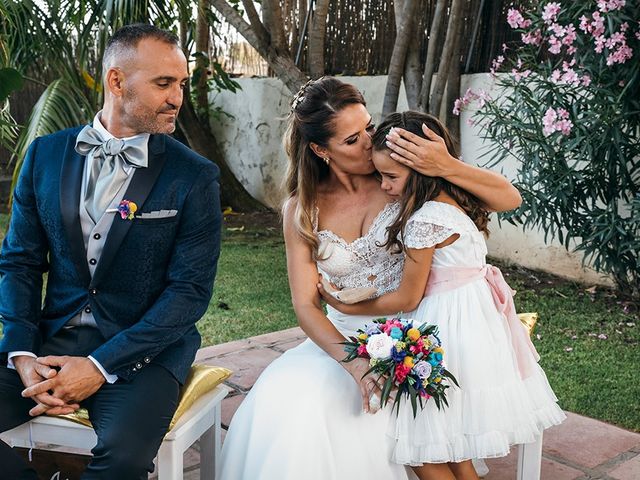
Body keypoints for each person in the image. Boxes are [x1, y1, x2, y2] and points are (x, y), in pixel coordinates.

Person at [219, 77, 523, 479]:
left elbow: (508, 198)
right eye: (351, 140)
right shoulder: (301, 208)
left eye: (368, 126)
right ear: (319, 150)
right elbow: (307, 305)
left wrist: (445, 165)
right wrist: (355, 363)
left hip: (421, 330)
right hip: (345, 338)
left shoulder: (403, 176)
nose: (368, 142)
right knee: (290, 404)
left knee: (401, 410)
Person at [0, 24, 221, 479]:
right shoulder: (44, 155)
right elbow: (20, 262)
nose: (177, 97)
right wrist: (22, 355)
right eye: (163, 83)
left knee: (121, 460)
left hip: (144, 354)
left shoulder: (194, 177)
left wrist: (100, 366)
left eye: (180, 83)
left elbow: (189, 293)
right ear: (117, 82)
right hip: (49, 343)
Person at [319, 111, 566, 480]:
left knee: (421, 447)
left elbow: (408, 298)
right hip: (477, 324)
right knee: (450, 441)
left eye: (390, 177)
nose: (384, 186)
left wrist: (342, 303)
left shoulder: (424, 221)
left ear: (420, 172)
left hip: (446, 331)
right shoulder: (453, 201)